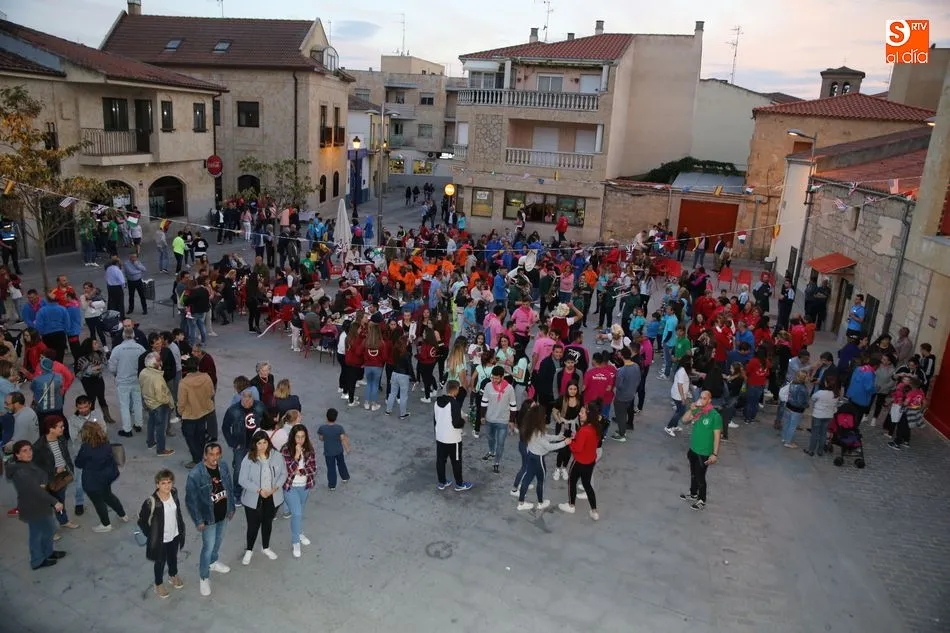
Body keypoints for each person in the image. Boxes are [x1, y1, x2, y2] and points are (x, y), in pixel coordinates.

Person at [5, 440, 67, 569]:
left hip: (40, 504)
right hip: (32, 506)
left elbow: (40, 477)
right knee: (37, 534)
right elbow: (35, 490)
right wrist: (55, 502)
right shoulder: (21, 472)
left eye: (30, 449)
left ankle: (48, 552)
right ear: (17, 455)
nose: (29, 453)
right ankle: (37, 561)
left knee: (48, 529)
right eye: (24, 451)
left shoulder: (26, 464)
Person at [185, 442, 235, 597]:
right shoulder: (195, 474)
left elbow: (229, 487)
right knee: (207, 547)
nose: (215, 458)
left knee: (218, 542)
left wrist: (231, 506)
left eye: (217, 454)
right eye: (211, 454)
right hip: (208, 518)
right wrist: (198, 520)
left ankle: (213, 562)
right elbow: (191, 500)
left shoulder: (224, 466)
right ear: (205, 456)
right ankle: (204, 577)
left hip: (223, 514)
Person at [238, 431, 287, 565]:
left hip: (273, 497)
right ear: (254, 444)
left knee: (267, 523)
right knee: (253, 526)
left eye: (265, 442)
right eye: (259, 443)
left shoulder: (277, 455)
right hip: (253, 498)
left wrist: (275, 488)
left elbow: (284, 473)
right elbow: (242, 479)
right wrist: (259, 490)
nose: (262, 446)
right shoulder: (248, 458)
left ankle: (266, 547)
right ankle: (249, 550)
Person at [138, 469, 186, 599]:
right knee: (160, 561)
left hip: (174, 534)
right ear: (157, 485)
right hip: (161, 539)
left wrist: (181, 528)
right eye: (163, 483)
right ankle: (158, 584)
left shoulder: (174, 493)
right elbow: (142, 520)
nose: (167, 486)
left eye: (169, 482)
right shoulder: (152, 502)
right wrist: (151, 535)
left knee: (173, 557)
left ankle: (173, 575)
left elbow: (178, 512)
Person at [516, 402, 571, 511]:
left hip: (531, 455)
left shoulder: (531, 427)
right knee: (540, 481)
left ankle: (521, 503)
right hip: (539, 459)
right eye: (544, 415)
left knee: (527, 479)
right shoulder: (538, 432)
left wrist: (558, 437)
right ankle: (540, 503)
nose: (546, 416)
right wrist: (565, 442)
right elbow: (549, 447)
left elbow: (546, 437)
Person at [74, 421, 127, 532]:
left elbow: (78, 463)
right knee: (108, 496)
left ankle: (106, 524)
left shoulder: (86, 448)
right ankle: (122, 514)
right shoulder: (106, 443)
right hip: (106, 477)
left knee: (98, 502)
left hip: (92, 481)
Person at [32, 415, 79, 529]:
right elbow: (36, 466)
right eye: (60, 427)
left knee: (60, 501)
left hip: (61, 478)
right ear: (51, 428)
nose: (63, 428)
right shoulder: (39, 446)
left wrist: (69, 469)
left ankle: (64, 521)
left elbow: (66, 456)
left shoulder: (61, 439)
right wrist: (54, 470)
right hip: (47, 480)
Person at [222, 389, 269, 502]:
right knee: (239, 469)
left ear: (253, 398)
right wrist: (233, 443)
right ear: (241, 398)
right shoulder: (233, 410)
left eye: (250, 398)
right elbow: (225, 427)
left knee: (258, 468)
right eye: (245, 398)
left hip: (257, 444)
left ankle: (255, 490)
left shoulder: (259, 407)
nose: (247, 401)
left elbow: (267, 420)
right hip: (241, 445)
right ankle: (237, 493)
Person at [679, 390, 722, 511]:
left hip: (703, 452)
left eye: (704, 398)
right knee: (693, 473)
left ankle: (702, 499)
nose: (701, 400)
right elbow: (684, 420)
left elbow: (717, 436)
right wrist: (692, 408)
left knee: (700, 476)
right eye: (701, 397)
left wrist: (714, 454)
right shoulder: (698, 411)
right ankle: (693, 493)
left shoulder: (715, 416)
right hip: (693, 449)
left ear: (709, 400)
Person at [558, 402, 603, 520]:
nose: (579, 414)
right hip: (590, 461)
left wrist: (570, 442)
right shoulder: (595, 427)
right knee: (587, 484)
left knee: (571, 482)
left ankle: (571, 505)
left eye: (582, 412)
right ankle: (594, 511)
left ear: (588, 415)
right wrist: (576, 437)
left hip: (579, 462)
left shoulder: (584, 430)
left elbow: (577, 448)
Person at [280, 424, 317, 557]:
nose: (300, 440)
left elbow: (313, 468)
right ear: (292, 437)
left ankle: (299, 532)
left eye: (302, 437)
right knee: (296, 513)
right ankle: (296, 542)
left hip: (304, 486)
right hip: (290, 486)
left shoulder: (309, 449)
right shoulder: (285, 449)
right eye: (297, 437)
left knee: (299, 512)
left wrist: (300, 471)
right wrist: (296, 456)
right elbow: (287, 470)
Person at [178, 356, 215, 468]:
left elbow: (181, 401)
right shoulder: (206, 377)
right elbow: (211, 393)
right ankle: (201, 455)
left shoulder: (184, 383)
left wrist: (180, 412)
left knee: (190, 437)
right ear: (198, 366)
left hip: (190, 415)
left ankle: (196, 459)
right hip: (203, 412)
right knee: (200, 435)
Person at [434, 380, 472, 491]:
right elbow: (456, 423)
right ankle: (459, 484)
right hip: (453, 439)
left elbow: (435, 420)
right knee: (456, 462)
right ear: (455, 390)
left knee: (441, 460)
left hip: (440, 437)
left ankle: (442, 482)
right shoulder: (454, 404)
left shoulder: (437, 402)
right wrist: (463, 421)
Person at [479, 366, 518, 474]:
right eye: (493, 378)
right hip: (489, 419)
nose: (494, 380)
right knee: (490, 438)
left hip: (503, 421)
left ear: (502, 377)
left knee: (500, 443)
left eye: (496, 378)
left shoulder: (509, 388)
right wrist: (482, 416)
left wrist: (511, 421)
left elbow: (513, 406)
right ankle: (491, 452)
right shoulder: (488, 386)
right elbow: (484, 402)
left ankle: (496, 462)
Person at [139, 352, 175, 457]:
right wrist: (169, 402)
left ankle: (150, 442)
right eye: (159, 360)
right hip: (159, 405)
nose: (161, 362)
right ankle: (161, 449)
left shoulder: (143, 372)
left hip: (149, 403)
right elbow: (161, 397)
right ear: (154, 364)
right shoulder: (157, 378)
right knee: (161, 428)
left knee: (151, 423)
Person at [318, 408, 351, 490]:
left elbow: (321, 438)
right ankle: (345, 477)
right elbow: (342, 438)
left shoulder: (322, 428)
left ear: (326, 417)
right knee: (341, 464)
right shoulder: (339, 428)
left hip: (328, 452)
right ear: (336, 418)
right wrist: (347, 448)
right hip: (339, 451)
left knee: (331, 468)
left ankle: (332, 485)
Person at [611, 348, 640, 442]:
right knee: (624, 414)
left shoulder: (622, 371)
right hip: (631, 395)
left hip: (621, 396)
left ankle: (621, 434)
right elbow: (638, 380)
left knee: (621, 415)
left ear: (622, 356)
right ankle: (622, 430)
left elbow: (618, 385)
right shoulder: (636, 366)